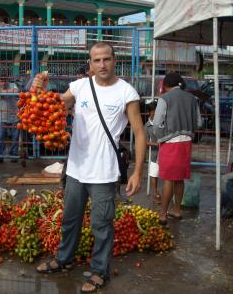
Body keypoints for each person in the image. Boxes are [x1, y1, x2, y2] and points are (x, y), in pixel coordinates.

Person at [36, 41, 146, 293]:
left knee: (101, 225)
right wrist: (40, 90)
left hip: (105, 173)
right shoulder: (80, 86)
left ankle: (99, 271)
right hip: (75, 169)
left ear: (115, 60)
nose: (102, 64)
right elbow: (57, 105)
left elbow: (139, 133)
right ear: (90, 63)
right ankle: (63, 260)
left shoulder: (126, 92)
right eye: (96, 60)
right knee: (69, 219)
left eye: (106, 59)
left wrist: (138, 172)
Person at [153, 72, 202, 225]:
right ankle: (177, 210)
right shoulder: (192, 99)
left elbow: (156, 123)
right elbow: (199, 123)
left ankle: (163, 214)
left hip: (169, 143)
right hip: (186, 143)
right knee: (179, 179)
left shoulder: (164, 99)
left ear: (166, 85)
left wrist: (161, 137)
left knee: (168, 180)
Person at [0, 77, 20, 164]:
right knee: (0, 137)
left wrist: (0, 92)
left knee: (15, 138)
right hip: (2, 117)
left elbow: (16, 90)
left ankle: (13, 155)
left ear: (7, 81)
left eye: (5, 81)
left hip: (14, 116)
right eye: (1, 81)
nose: (3, 83)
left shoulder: (12, 85)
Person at [145, 101, 160, 204]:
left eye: (156, 111)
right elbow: (145, 142)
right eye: (153, 111)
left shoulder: (162, 121)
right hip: (155, 154)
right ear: (149, 112)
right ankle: (155, 194)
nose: (155, 114)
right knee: (154, 174)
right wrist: (156, 144)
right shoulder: (147, 126)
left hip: (166, 152)